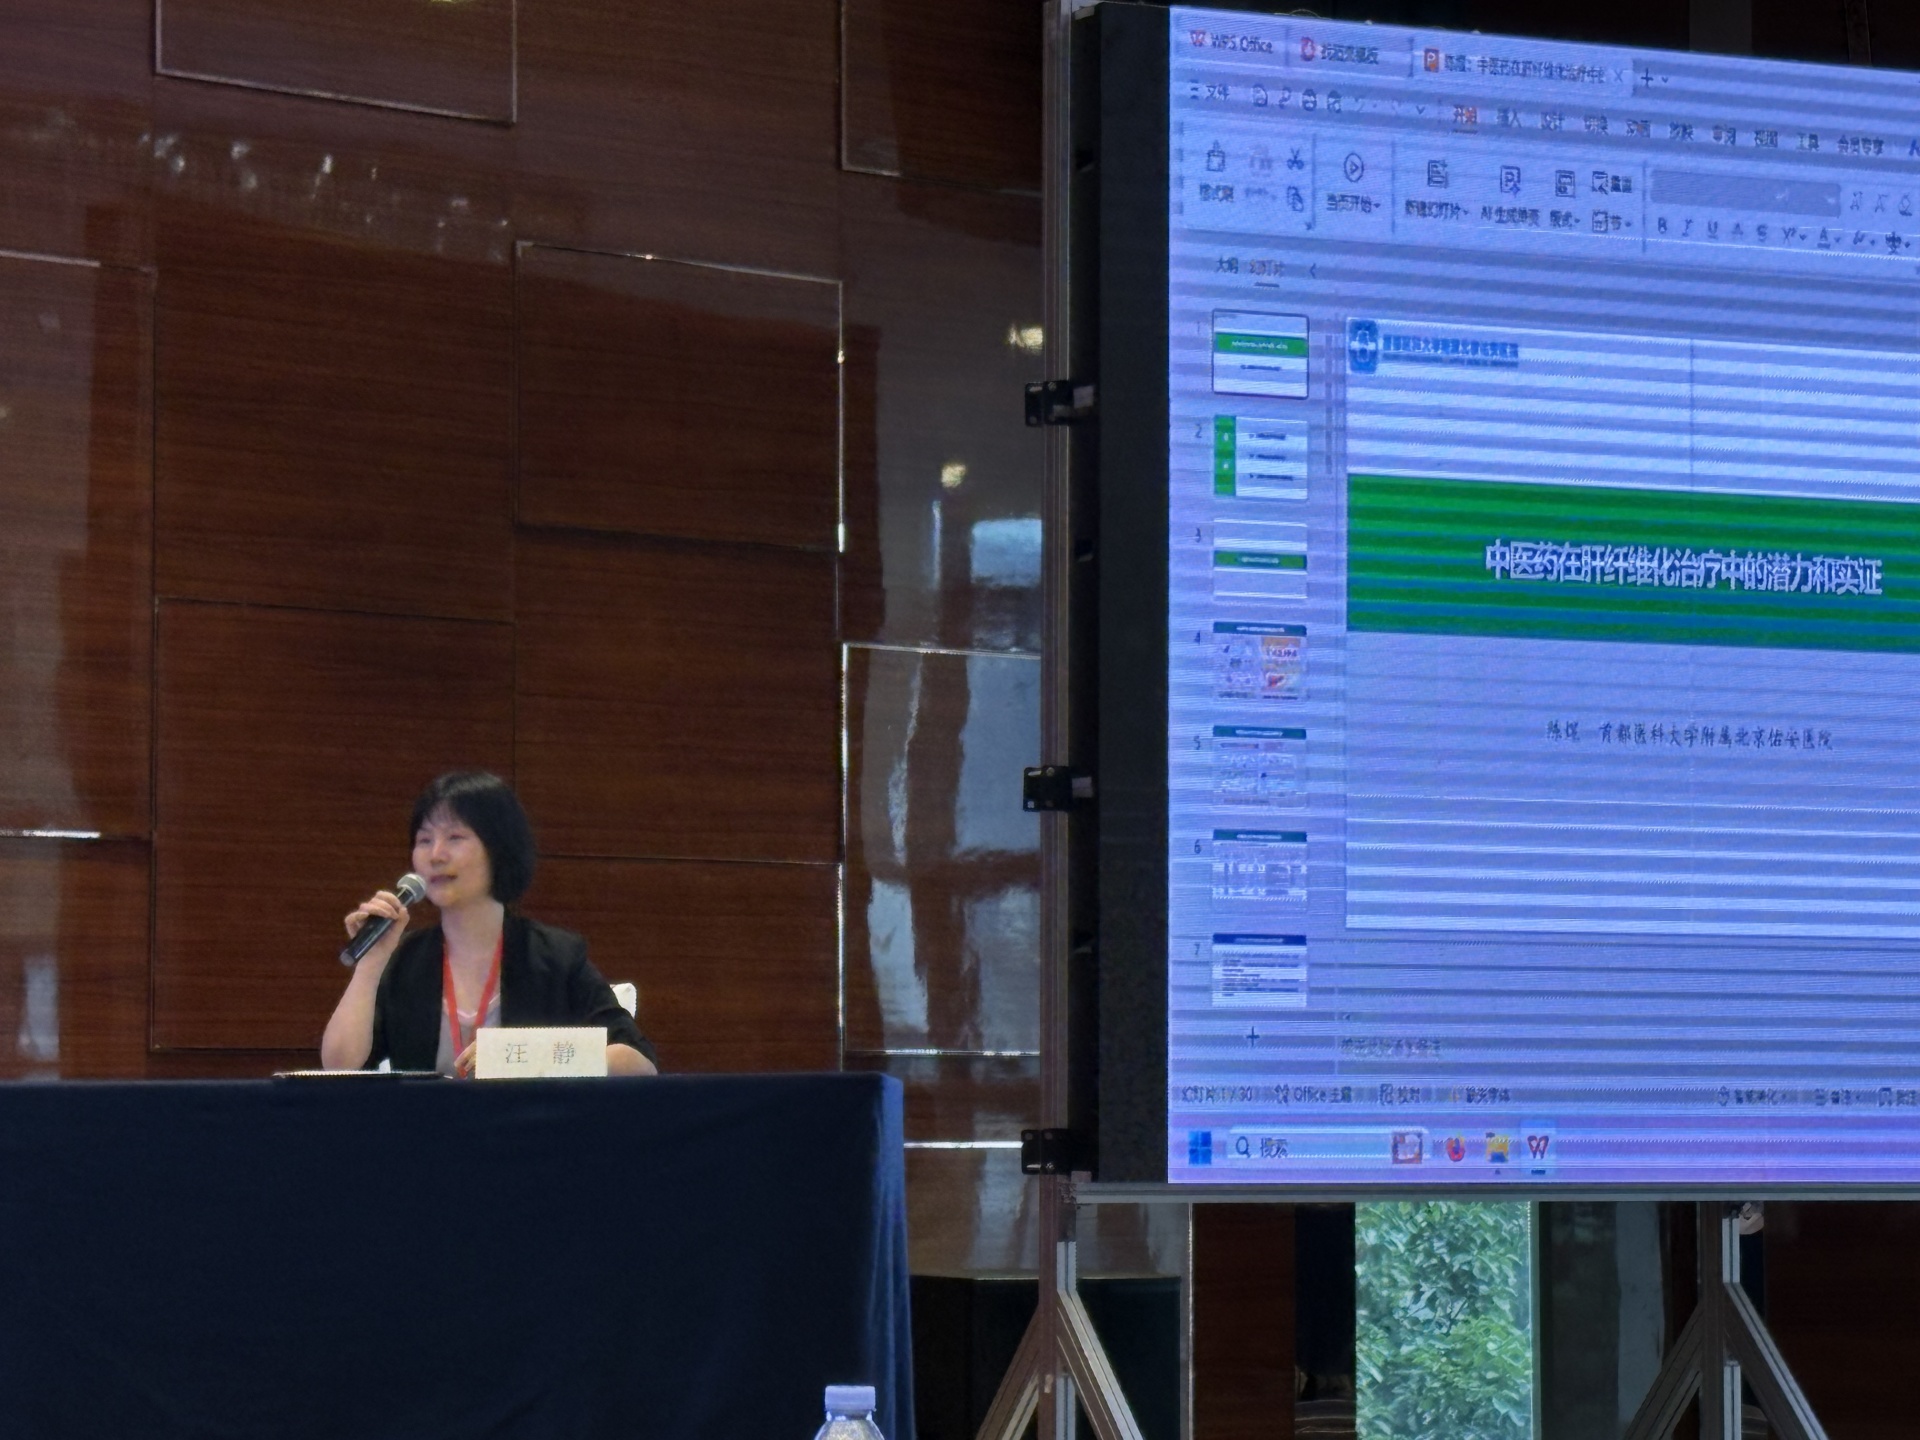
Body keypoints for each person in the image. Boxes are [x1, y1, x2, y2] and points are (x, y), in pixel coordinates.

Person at [320, 771, 657, 1076]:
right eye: (424, 840)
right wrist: (371, 964)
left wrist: (520, 1057)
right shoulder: (404, 959)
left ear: (498, 848)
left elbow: (638, 1062)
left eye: (455, 837)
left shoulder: (555, 956)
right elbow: (339, 1066)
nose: (436, 855)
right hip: (426, 1124)